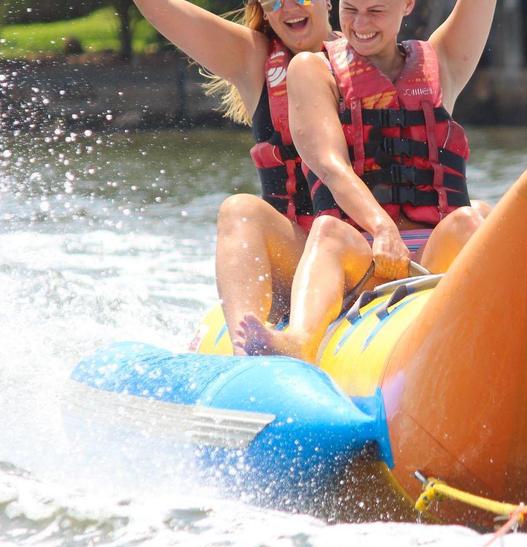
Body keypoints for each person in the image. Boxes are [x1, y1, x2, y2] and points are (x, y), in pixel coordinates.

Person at [236, 0, 497, 361]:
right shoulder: (312, 69)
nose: (360, 24)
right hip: (363, 258)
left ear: (407, 5)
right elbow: (330, 166)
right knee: (329, 230)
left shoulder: (442, 61)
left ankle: (512, 333)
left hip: (431, 255)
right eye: (350, 9)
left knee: (474, 218)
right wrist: (382, 228)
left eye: (375, 11)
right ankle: (299, 341)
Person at [133, 0, 337, 354]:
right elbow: (161, 8)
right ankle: (249, 353)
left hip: (364, 252)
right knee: (240, 209)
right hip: (298, 256)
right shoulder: (253, 59)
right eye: (274, 0)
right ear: (263, 10)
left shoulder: (373, 49)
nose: (288, 7)